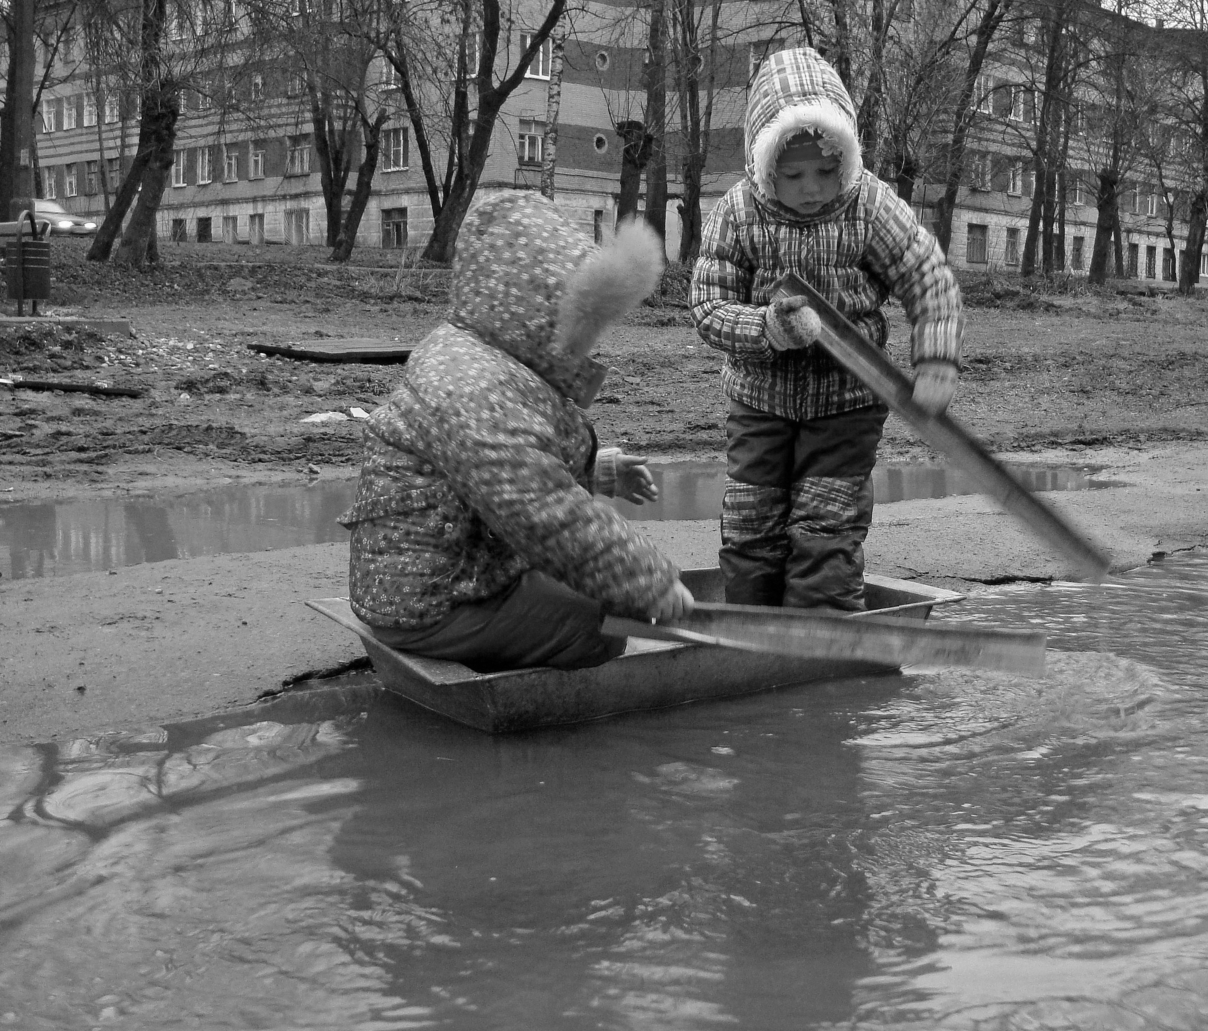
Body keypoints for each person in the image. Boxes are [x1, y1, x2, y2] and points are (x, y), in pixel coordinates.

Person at [340, 191, 694, 672]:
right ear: (538, 311)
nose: (590, 341)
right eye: (585, 323)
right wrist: (647, 582)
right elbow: (542, 510)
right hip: (428, 602)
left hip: (436, 571)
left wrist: (598, 471)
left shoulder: (480, 357)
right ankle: (520, 699)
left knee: (573, 583)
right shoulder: (473, 386)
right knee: (598, 628)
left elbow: (515, 467)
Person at [691, 46, 963, 611]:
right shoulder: (739, 212)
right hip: (760, 403)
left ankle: (825, 641)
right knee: (751, 524)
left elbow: (927, 274)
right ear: (765, 165)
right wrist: (768, 328)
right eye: (793, 174)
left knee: (825, 524)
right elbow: (708, 307)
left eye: (826, 169)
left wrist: (935, 359)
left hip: (848, 403)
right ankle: (750, 635)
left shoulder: (868, 205)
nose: (812, 187)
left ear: (847, 156)